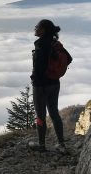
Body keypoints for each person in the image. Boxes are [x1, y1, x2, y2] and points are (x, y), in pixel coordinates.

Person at [29, 19, 72, 153]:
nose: (35, 28)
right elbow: (69, 58)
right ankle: (61, 144)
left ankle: (41, 145)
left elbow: (39, 66)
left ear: (43, 30)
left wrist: (35, 79)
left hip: (41, 85)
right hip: (54, 83)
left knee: (40, 116)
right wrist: (55, 71)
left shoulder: (41, 44)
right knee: (54, 113)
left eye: (38, 26)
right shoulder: (55, 43)